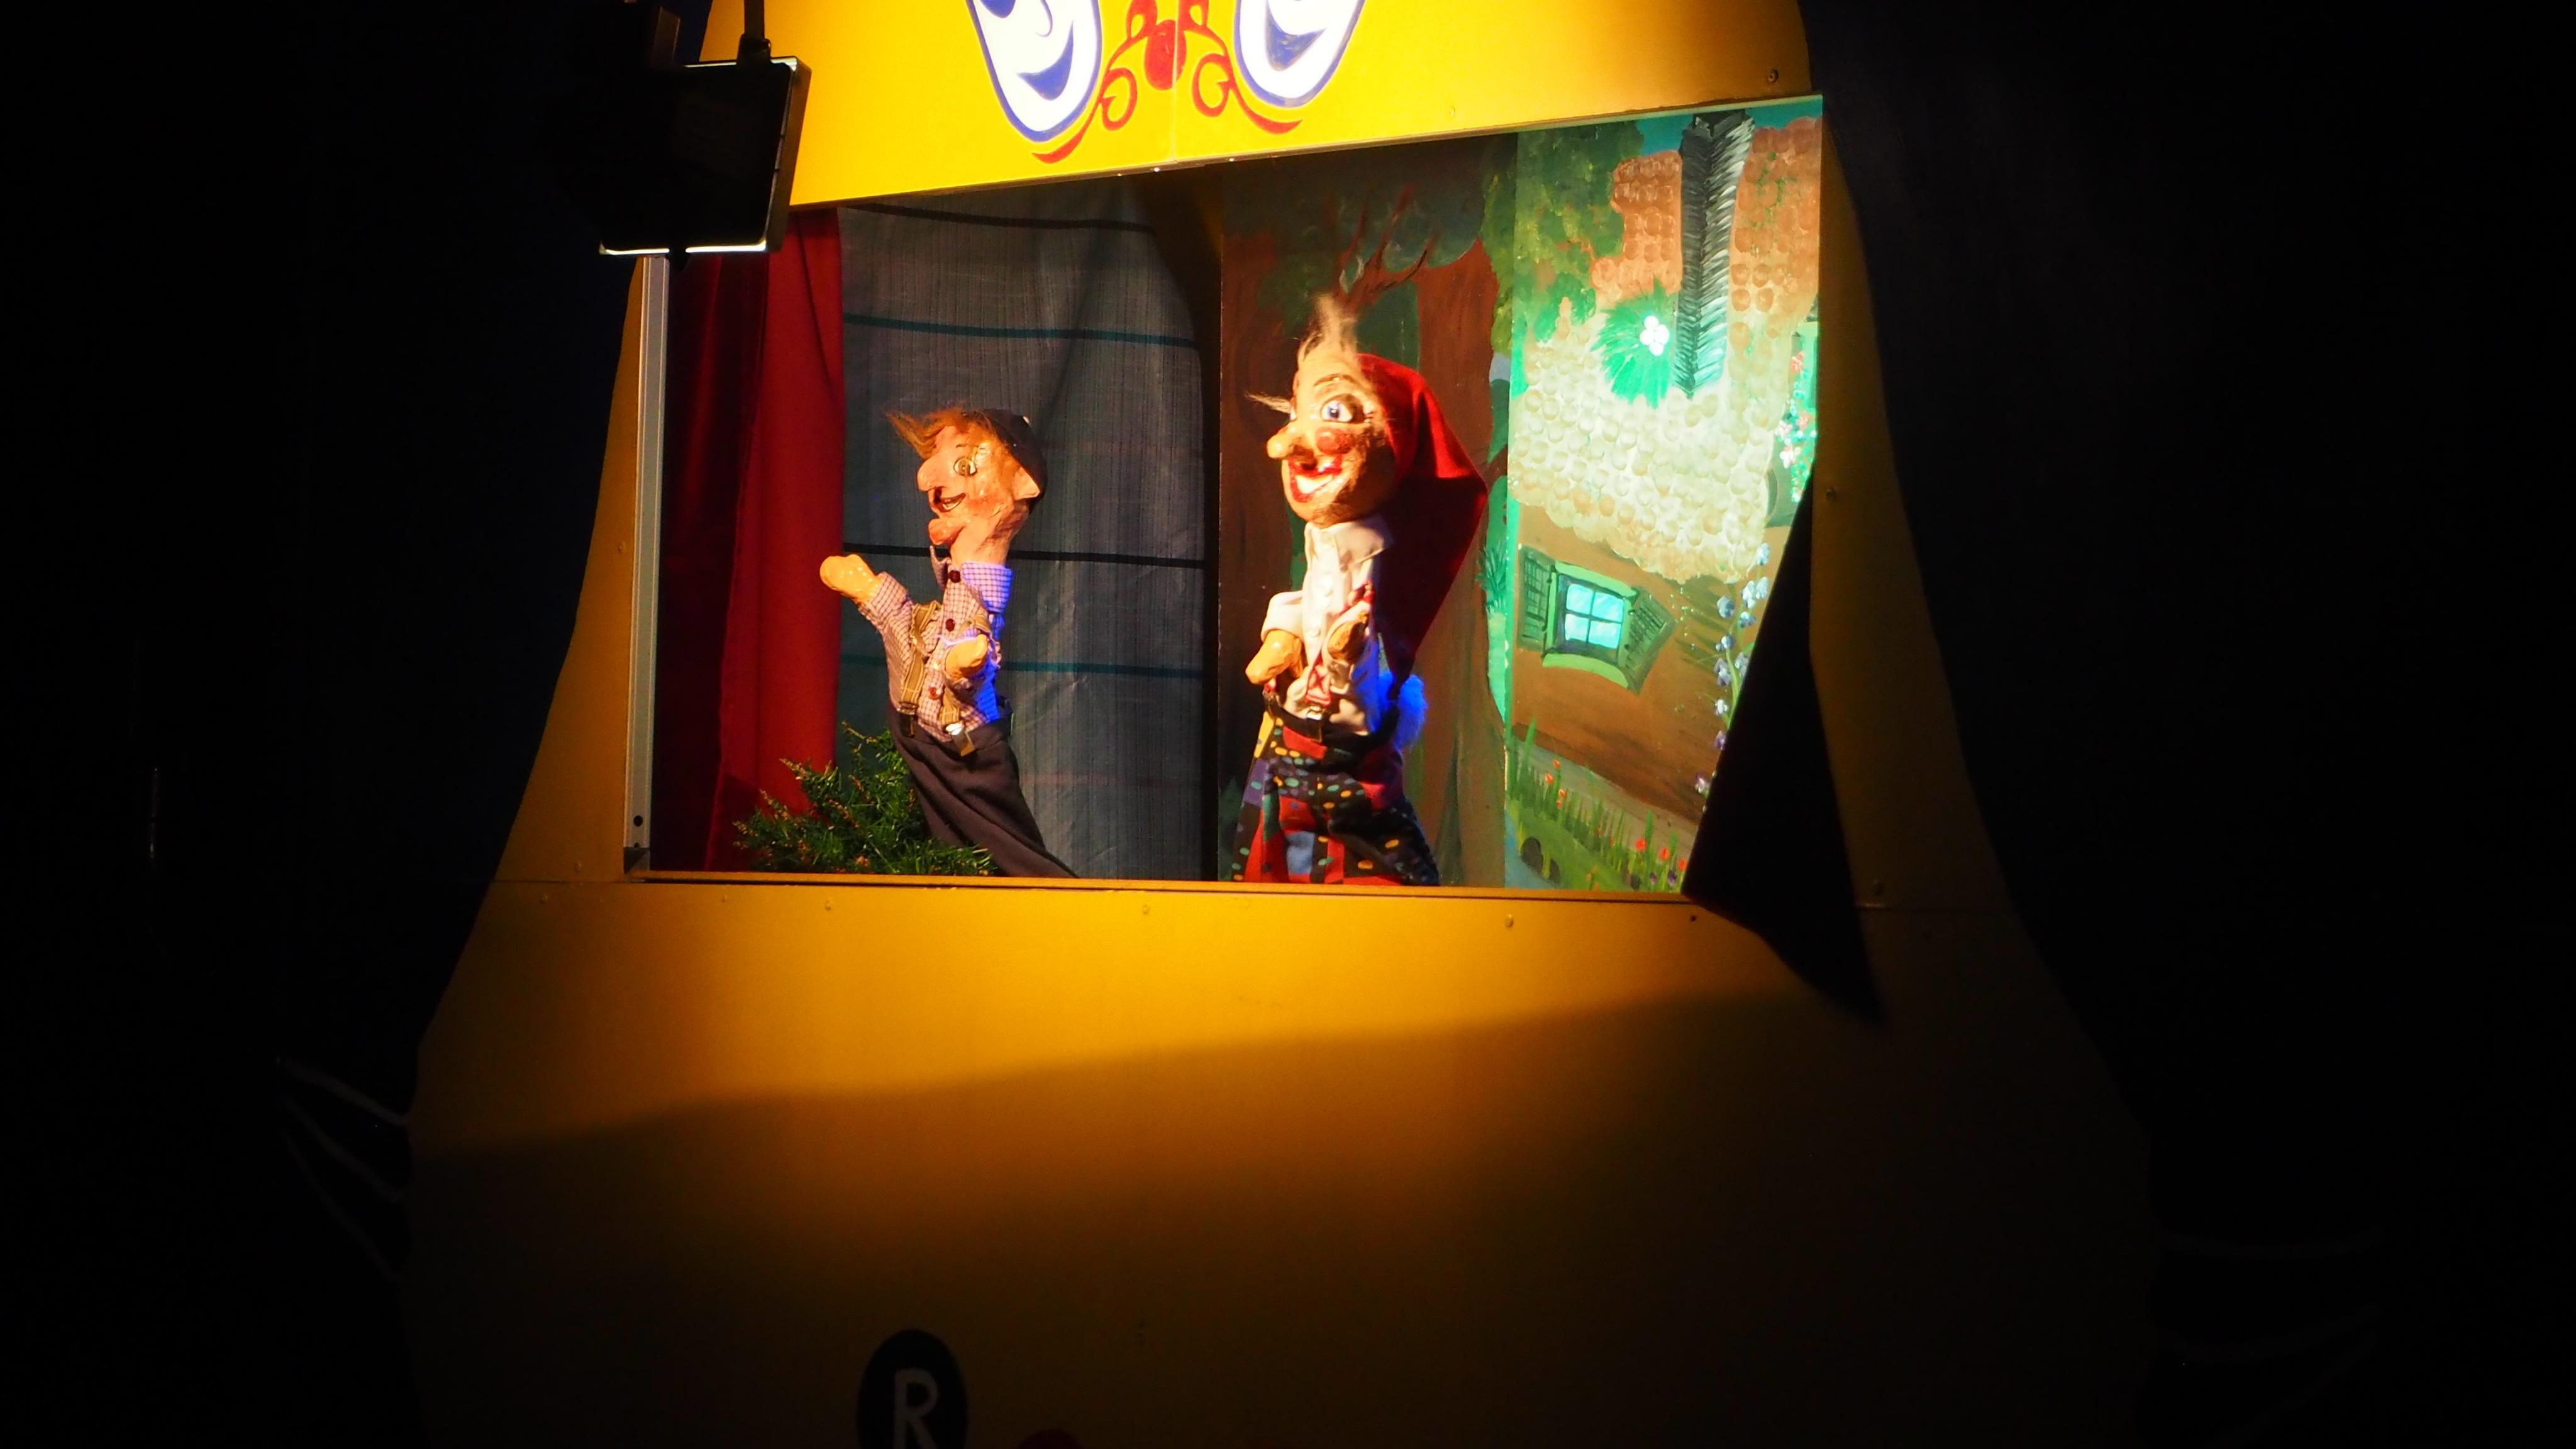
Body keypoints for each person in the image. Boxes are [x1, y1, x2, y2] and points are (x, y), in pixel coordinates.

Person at [1232, 297, 1488, 885]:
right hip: (1291, 746)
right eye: (1297, 413)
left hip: (1342, 762)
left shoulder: (1375, 563)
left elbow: (1367, 676)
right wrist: (1283, 635)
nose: (1285, 443)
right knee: (1273, 875)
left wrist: (1348, 655)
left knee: (1373, 878)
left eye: (1335, 412)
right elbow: (1307, 597)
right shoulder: (1326, 540)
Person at [820, 408, 1074, 877]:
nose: (930, 483)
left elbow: (975, 638)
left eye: (966, 466)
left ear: (1022, 484)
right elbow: (914, 628)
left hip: (964, 745)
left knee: (1010, 854)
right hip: (917, 728)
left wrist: (965, 667)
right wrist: (871, 591)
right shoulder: (949, 595)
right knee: (953, 853)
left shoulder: (978, 601)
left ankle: (1069, 908)